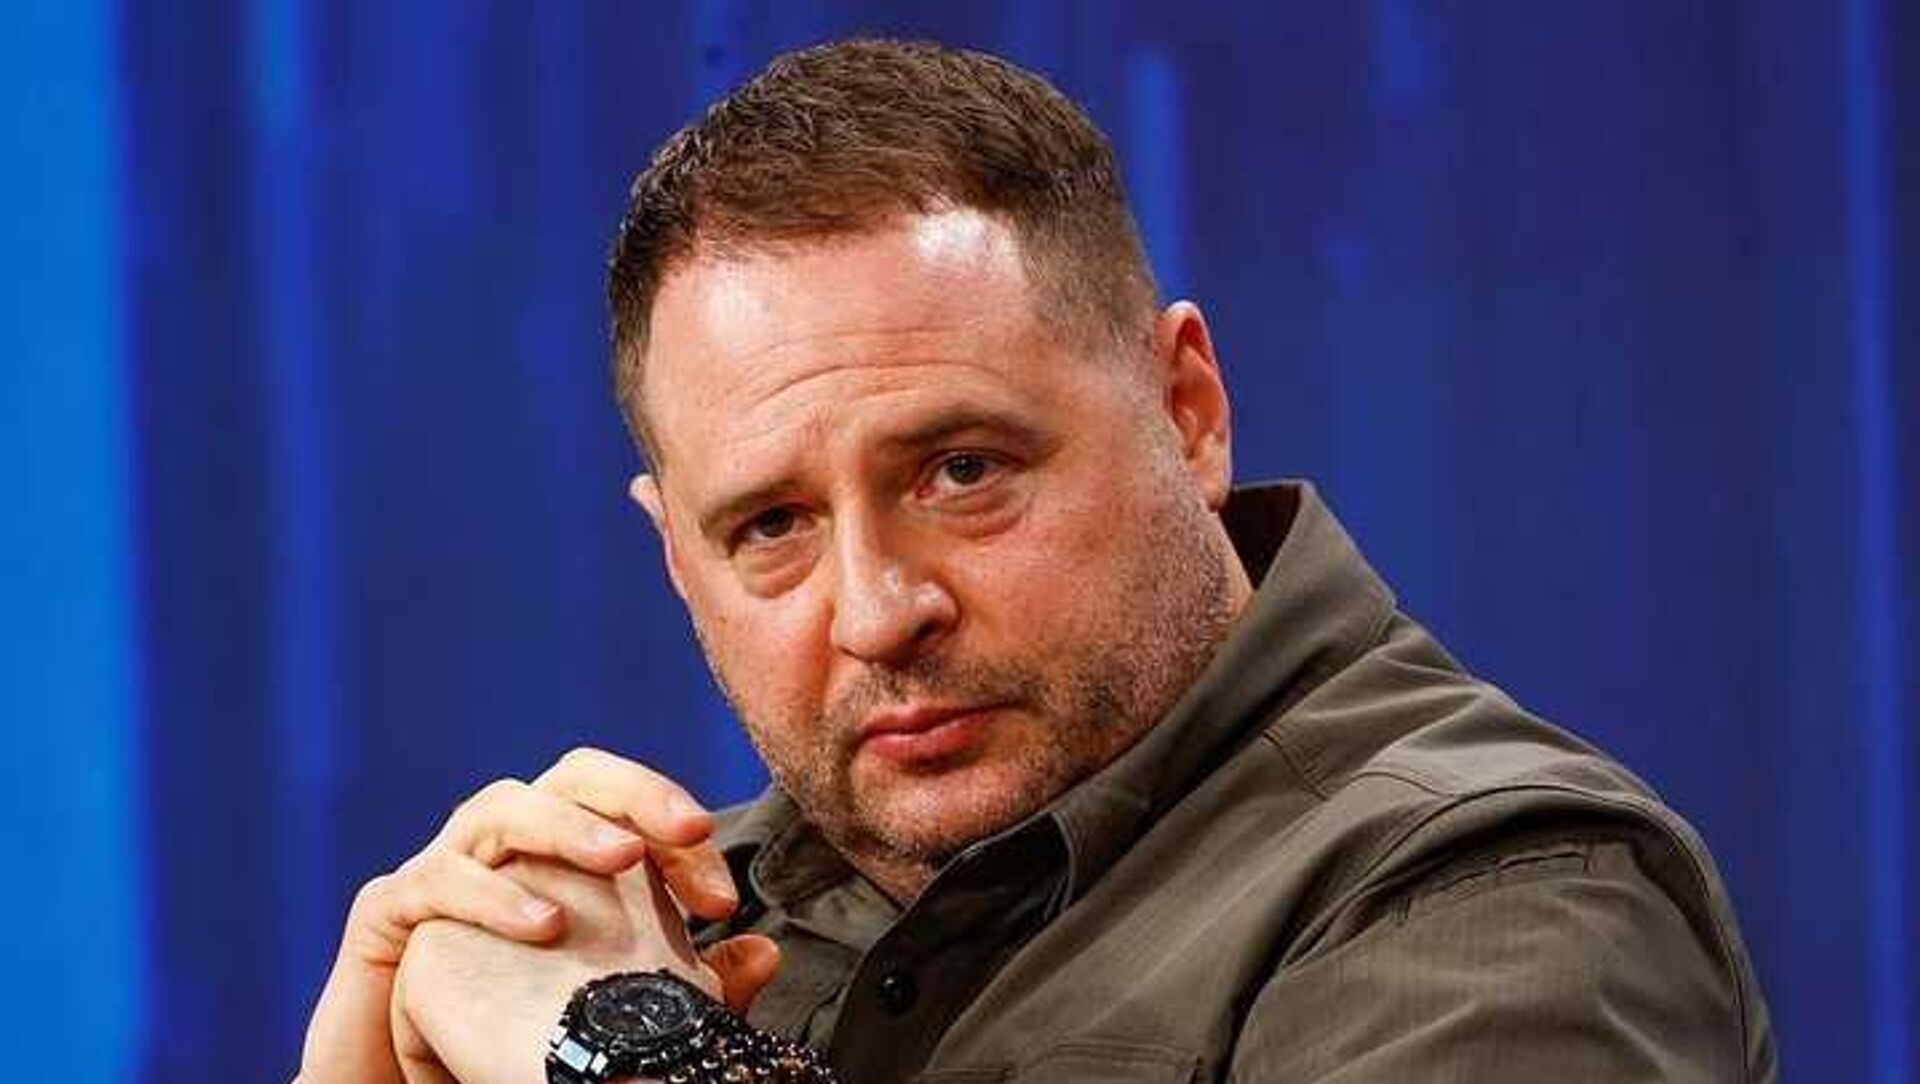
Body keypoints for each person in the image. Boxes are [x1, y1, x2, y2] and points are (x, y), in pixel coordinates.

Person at [295, 38, 1777, 1084]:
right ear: (676, 560)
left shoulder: (1508, 891)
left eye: (963, 471)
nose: (880, 612)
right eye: (773, 527)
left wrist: (629, 1056)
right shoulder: (652, 926)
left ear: (1187, 412)